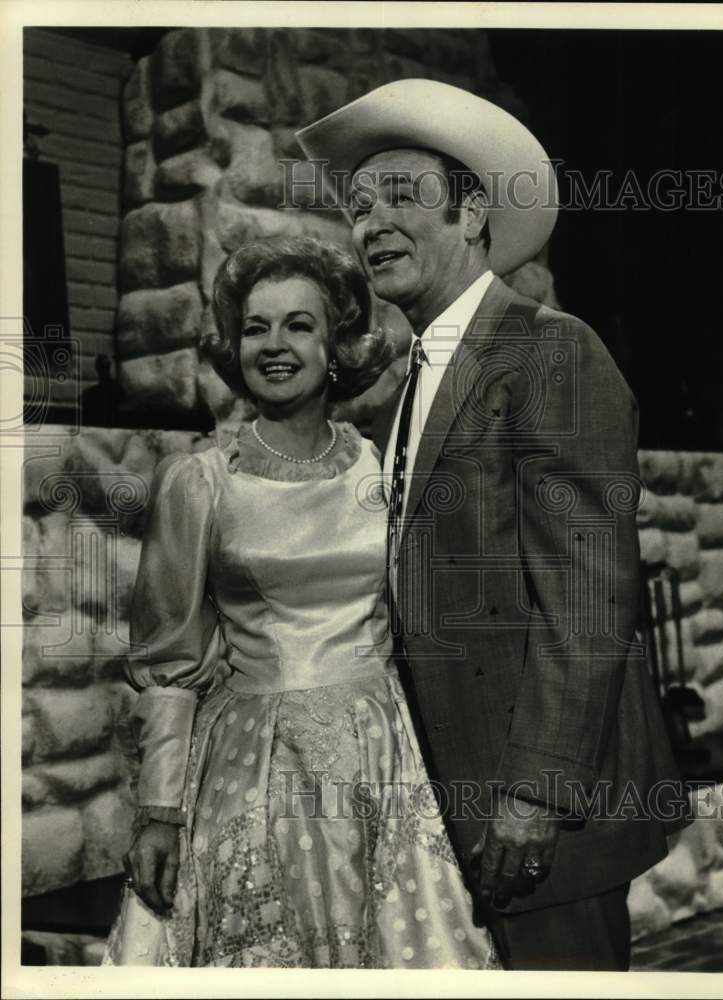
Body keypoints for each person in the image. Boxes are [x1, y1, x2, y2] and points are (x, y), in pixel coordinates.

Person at [296, 79, 691, 971]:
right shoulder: (408, 388)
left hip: (539, 814)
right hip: (450, 808)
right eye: (359, 207)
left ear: (473, 213)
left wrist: (535, 794)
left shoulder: (549, 349)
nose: (372, 224)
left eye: (402, 196)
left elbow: (589, 597)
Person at [103, 235, 501, 969]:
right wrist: (159, 811)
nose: (275, 345)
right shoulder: (199, 481)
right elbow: (168, 662)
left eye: (298, 325)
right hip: (253, 768)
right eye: (256, 327)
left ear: (336, 346)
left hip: (386, 758)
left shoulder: (384, 466)